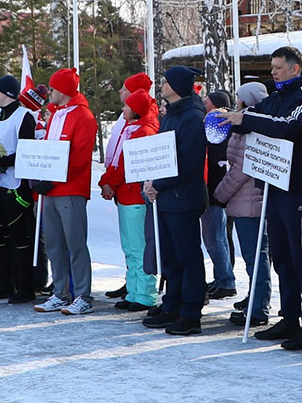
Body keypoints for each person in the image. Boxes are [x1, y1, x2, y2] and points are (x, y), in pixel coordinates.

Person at [226, 46, 302, 350]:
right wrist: (231, 117)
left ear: (295, 69)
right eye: (271, 67)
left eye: (278, 68)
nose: (273, 72)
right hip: (274, 187)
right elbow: (256, 115)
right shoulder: (277, 97)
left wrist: (244, 120)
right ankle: (290, 318)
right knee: (282, 258)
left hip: (298, 190)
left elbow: (289, 127)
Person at [146, 66, 211, 336]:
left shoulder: (194, 117)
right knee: (170, 256)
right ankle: (172, 303)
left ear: (179, 86)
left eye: (166, 81)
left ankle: (191, 312)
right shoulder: (172, 114)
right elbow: (161, 155)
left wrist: (158, 184)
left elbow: (188, 162)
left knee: (187, 256)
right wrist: (150, 183)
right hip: (167, 197)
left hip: (183, 198)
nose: (161, 85)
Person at [36, 68, 97, 314]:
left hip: (70, 188)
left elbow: (80, 157)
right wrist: (40, 175)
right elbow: (50, 152)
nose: (49, 92)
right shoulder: (56, 114)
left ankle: (83, 295)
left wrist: (53, 178)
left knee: (75, 243)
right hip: (52, 190)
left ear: (62, 90)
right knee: (53, 244)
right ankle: (60, 292)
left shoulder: (83, 116)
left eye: (52, 88)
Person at [216, 80, 273, 328]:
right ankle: (256, 299)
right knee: (258, 256)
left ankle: (259, 308)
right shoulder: (253, 123)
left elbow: (239, 169)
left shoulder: (248, 127)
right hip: (250, 200)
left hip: (249, 202)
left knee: (255, 257)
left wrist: (219, 194)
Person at [102, 87, 159, 313]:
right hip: (126, 195)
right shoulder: (131, 129)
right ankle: (135, 291)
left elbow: (125, 166)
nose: (123, 108)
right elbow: (117, 164)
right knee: (130, 247)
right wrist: (108, 181)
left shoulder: (143, 132)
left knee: (139, 247)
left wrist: (109, 182)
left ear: (135, 110)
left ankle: (145, 294)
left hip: (135, 195)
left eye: (127, 106)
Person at [199, 89, 238, 303]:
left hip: (215, 190)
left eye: (207, 102)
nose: (204, 105)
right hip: (216, 189)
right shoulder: (220, 124)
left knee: (214, 238)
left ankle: (225, 280)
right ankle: (221, 278)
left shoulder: (218, 125)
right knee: (217, 237)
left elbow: (216, 160)